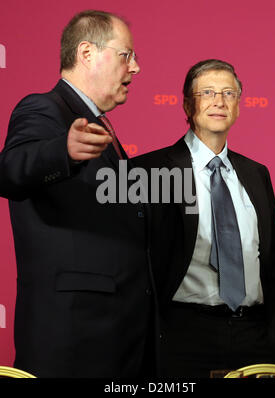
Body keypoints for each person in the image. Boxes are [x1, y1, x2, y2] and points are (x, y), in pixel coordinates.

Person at [0, 10, 158, 378]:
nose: (135, 68)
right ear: (87, 53)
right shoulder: (43, 108)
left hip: (118, 335)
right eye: (126, 55)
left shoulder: (103, 127)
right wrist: (62, 151)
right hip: (75, 337)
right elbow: (11, 169)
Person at [135, 59, 275, 377]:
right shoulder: (150, 172)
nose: (219, 101)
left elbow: (272, 265)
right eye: (207, 92)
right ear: (188, 104)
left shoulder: (257, 173)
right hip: (182, 337)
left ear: (238, 105)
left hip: (255, 338)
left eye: (228, 93)